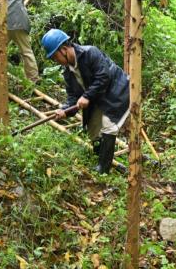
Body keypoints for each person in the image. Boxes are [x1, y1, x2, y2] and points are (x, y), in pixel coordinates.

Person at [41, 29, 129, 174]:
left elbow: (103, 77)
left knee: (108, 125)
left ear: (64, 49)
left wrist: (86, 96)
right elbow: (73, 98)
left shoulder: (90, 53)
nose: (56, 61)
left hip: (117, 92)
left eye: (55, 57)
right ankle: (100, 158)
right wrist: (64, 110)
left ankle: (103, 169)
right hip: (97, 98)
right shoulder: (67, 73)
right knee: (94, 131)